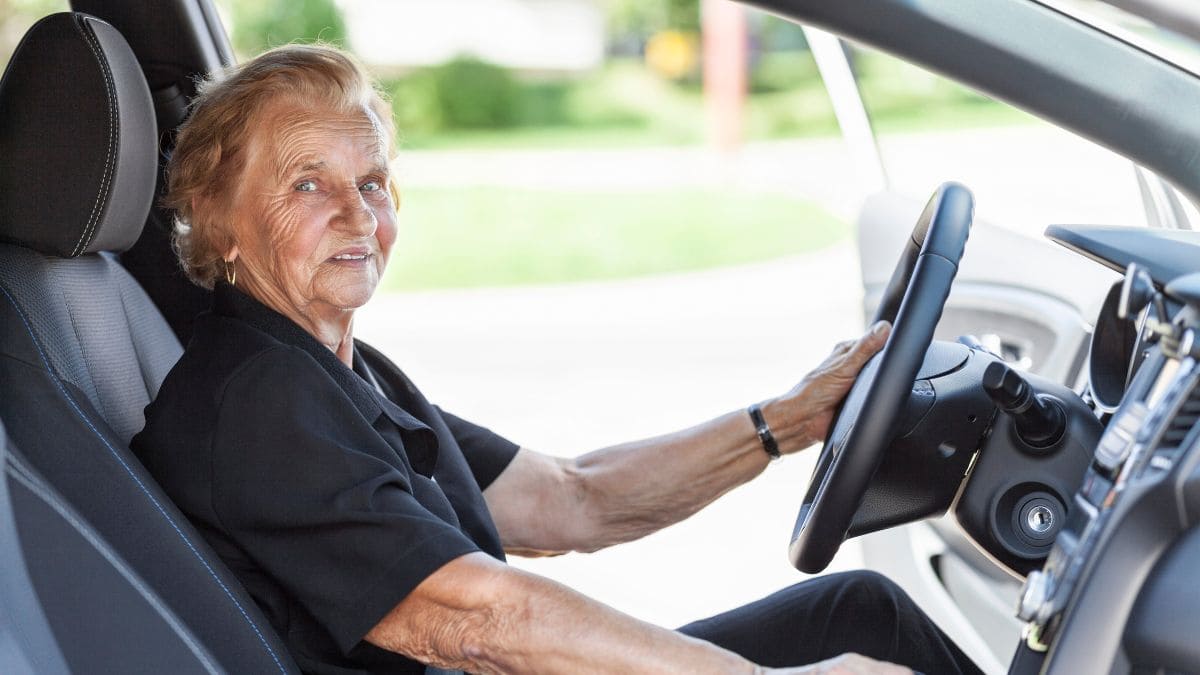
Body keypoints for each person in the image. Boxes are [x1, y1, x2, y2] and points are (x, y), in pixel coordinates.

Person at [131, 44, 980, 675]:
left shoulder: (341, 370)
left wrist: (789, 420)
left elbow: (573, 497)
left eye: (374, 181)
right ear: (217, 220)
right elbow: (474, 620)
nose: (358, 214)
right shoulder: (255, 400)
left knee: (861, 612)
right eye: (307, 184)